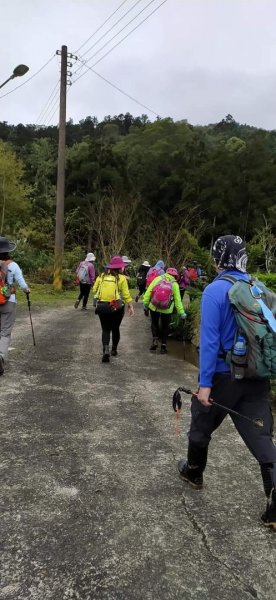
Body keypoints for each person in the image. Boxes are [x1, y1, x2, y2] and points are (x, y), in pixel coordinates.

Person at [177, 235, 276, 530]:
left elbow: (208, 343)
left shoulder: (214, 291)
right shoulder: (259, 289)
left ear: (219, 257)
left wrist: (204, 385)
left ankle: (194, 472)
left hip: (223, 378)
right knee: (261, 438)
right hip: (257, 375)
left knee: (201, 423)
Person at [93, 255, 134, 363]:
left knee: (105, 329)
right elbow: (126, 294)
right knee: (115, 328)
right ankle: (114, 349)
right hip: (117, 307)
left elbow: (94, 290)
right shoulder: (122, 278)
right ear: (120, 268)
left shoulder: (102, 276)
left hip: (102, 306)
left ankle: (105, 350)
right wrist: (130, 306)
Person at [0, 236, 30, 376]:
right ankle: (0, 356)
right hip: (9, 301)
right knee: (5, 331)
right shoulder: (13, 265)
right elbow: (22, 283)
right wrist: (26, 290)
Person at [143, 267, 186, 354]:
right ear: (175, 276)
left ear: (166, 272)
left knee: (154, 323)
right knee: (165, 326)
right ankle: (163, 346)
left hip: (154, 306)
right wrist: (182, 312)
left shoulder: (158, 279)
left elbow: (149, 291)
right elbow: (178, 301)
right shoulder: (174, 284)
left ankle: (155, 340)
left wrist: (146, 304)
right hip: (167, 309)